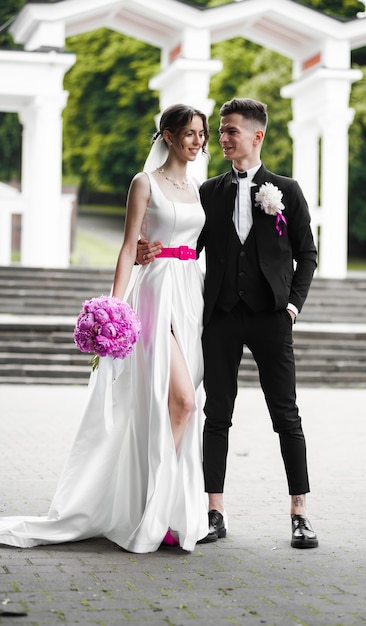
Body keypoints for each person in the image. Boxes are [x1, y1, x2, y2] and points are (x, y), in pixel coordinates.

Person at [0, 104, 212, 553]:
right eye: (189, 133)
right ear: (168, 136)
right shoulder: (144, 182)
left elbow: (201, 245)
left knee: (175, 403)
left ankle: (167, 510)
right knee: (183, 401)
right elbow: (126, 246)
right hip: (155, 294)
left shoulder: (197, 188)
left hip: (192, 296)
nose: (197, 141)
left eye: (201, 134)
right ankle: (151, 509)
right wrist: (114, 308)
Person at [137, 98, 319, 549]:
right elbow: (185, 246)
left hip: (272, 318)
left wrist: (292, 306)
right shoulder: (207, 192)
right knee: (217, 415)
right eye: (220, 130)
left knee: (286, 414)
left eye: (231, 130)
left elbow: (307, 254)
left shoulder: (287, 191)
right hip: (218, 316)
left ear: (257, 136)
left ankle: (300, 512)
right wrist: (148, 250)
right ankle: (213, 510)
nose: (222, 138)